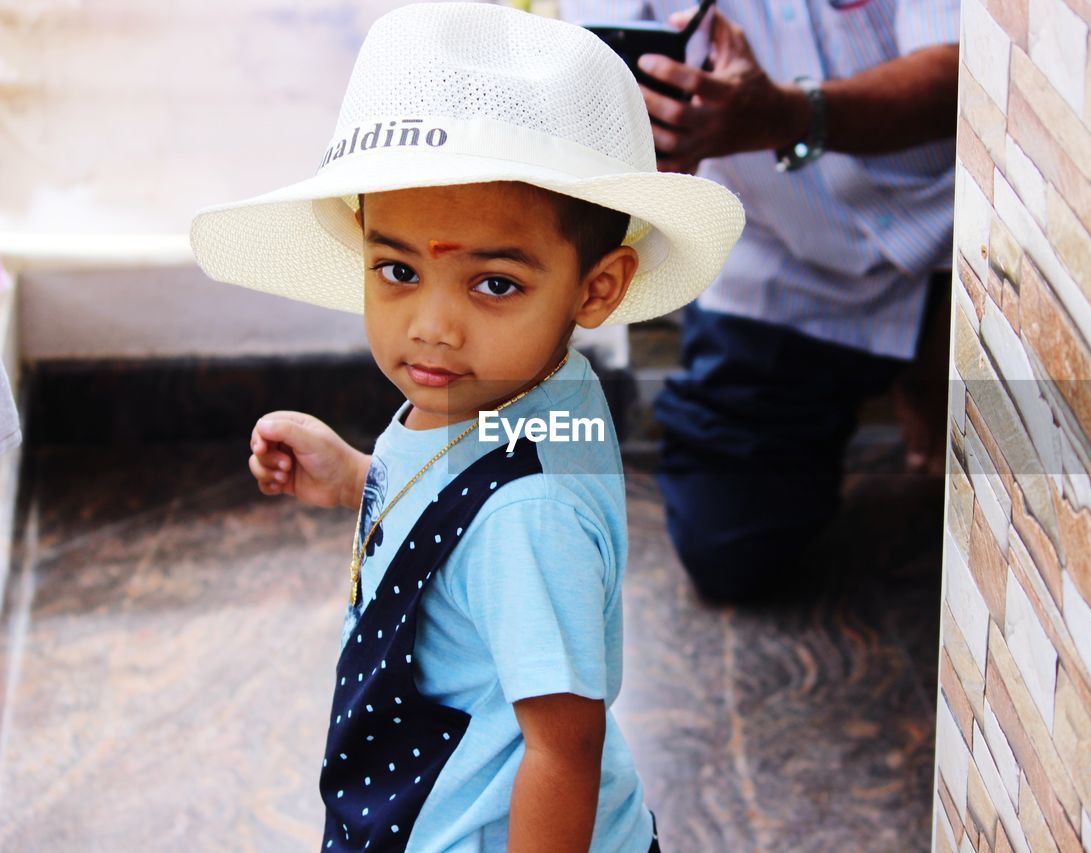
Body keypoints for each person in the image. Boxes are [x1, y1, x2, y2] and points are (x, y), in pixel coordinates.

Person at [188, 4, 743, 851]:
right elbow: (460, 512)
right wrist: (358, 477)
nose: (432, 327)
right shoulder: (526, 386)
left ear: (597, 288)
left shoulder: (531, 520)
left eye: (494, 284)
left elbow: (564, 745)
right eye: (398, 270)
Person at [563, 0, 961, 602]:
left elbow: (968, 69)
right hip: (780, 254)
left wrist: (791, 114)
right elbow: (591, 70)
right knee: (729, 551)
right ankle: (917, 371)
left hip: (956, 227)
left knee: (1000, 463)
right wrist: (646, 151)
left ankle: (934, 346)